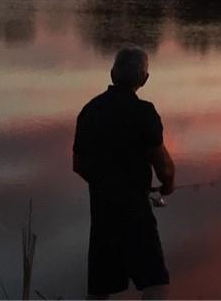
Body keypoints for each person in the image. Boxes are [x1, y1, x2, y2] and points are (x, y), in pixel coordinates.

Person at [73, 47, 176, 299]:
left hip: (101, 212)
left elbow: (78, 164)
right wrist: (167, 184)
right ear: (145, 79)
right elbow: (162, 163)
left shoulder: (90, 110)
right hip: (135, 212)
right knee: (155, 281)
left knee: (99, 287)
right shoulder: (144, 113)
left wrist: (106, 184)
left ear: (112, 73)